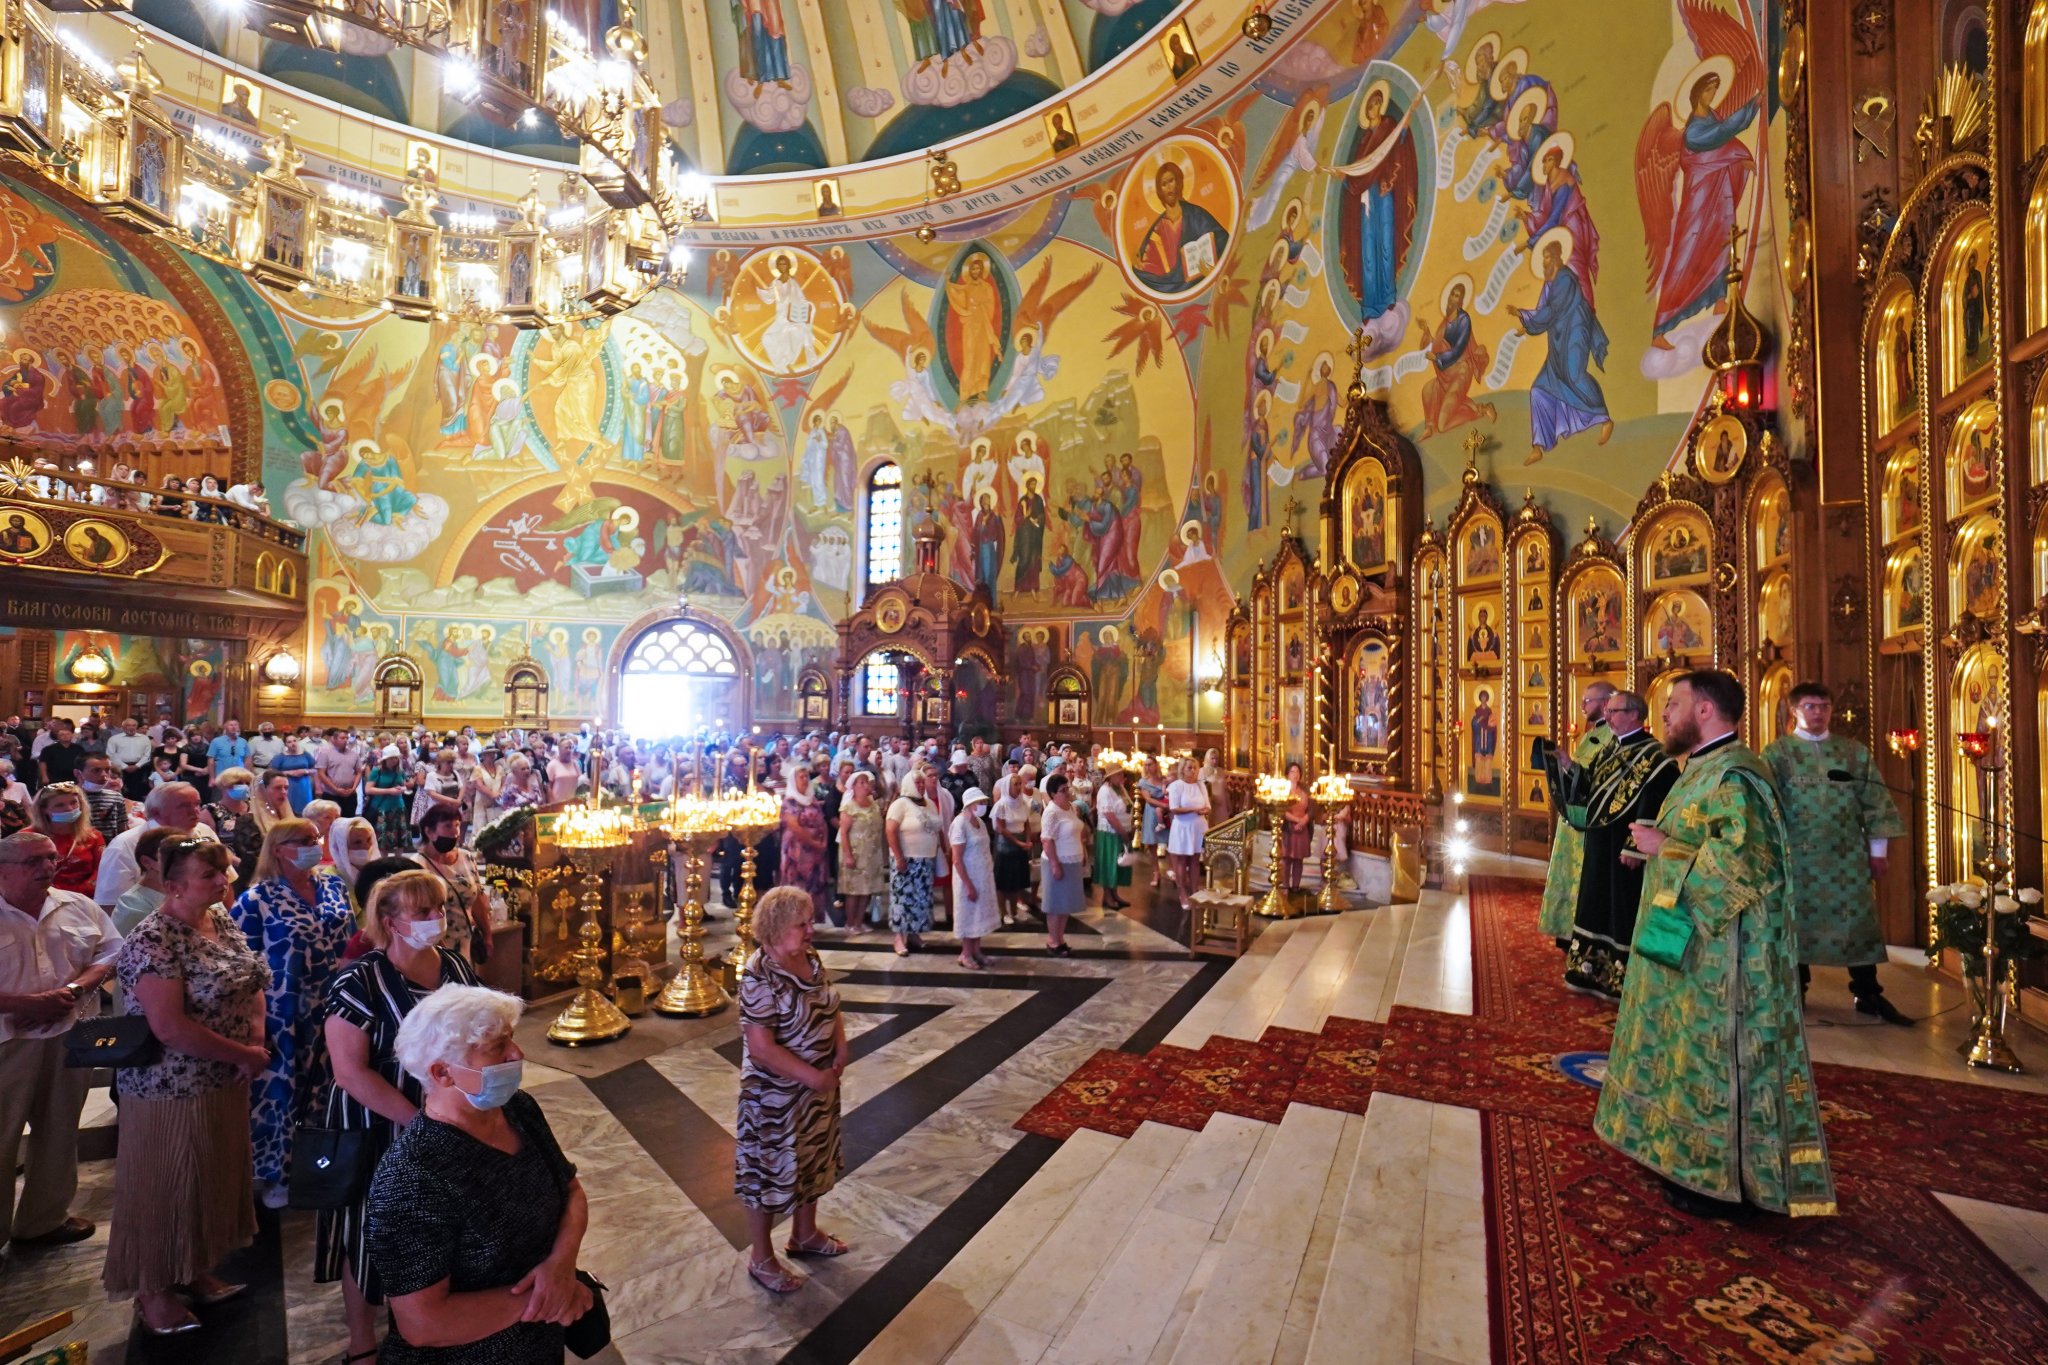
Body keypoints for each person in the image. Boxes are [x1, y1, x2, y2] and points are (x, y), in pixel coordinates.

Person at [1593, 669, 1835, 1220]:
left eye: (1674, 704)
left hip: (1728, 962)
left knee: (1715, 1065)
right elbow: (1700, 837)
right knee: (1680, 1052)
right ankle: (1681, 1156)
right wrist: (1657, 844)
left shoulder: (1737, 776)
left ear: (1704, 710)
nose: (1665, 715)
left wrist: (1666, 849)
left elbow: (1745, 866)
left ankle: (1722, 1180)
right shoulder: (1701, 768)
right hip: (1692, 945)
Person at [366, 985, 592, 1363]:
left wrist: (561, 1267)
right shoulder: (412, 1176)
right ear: (442, 1073)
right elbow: (424, 1324)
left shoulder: (518, 1109)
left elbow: (571, 1191)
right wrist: (548, 1298)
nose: (516, 1054)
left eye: (512, 1040)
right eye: (496, 1047)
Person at [105, 838, 271, 1335]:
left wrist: (254, 1040)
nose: (222, 882)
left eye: (222, 872)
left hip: (225, 1074)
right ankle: (153, 1290)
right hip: (169, 1085)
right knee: (165, 1184)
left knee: (207, 1177)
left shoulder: (218, 919)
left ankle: (193, 1267)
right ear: (173, 886)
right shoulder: (154, 939)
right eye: (208, 876)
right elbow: (170, 1027)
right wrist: (243, 1053)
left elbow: (250, 979)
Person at [316, 870, 481, 1364]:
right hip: (378, 1117)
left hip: (445, 1113)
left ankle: (427, 1323)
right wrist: (417, 1122)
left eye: (439, 909)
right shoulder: (360, 979)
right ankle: (362, 1339)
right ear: (390, 922)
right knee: (369, 1228)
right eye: (423, 912)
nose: (437, 919)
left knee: (435, 1222)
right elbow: (349, 1071)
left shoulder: (453, 966)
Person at [0, 832, 121, 1251]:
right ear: (3, 870)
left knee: (59, 1129)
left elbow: (109, 953)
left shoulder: (76, 905)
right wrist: (22, 1003)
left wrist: (72, 990)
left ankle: (43, 1220)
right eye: (34, 861)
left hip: (67, 1034)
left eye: (51, 858)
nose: (47, 867)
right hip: (6, 1042)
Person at [1763, 682, 1911, 1024]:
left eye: (1824, 706)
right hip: (1797, 858)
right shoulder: (1777, 754)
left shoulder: (1853, 753)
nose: (1818, 713)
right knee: (1795, 920)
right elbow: (1767, 805)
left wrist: (1878, 851)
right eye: (1811, 706)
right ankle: (1795, 991)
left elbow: (1875, 802)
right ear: (1794, 710)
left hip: (1846, 857)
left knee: (1856, 922)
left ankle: (1868, 993)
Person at [231, 818, 354, 1208]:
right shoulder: (255, 900)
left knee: (334, 1087)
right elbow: (242, 964)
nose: (313, 845)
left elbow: (351, 940)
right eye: (303, 841)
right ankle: (277, 1175)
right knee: (284, 1093)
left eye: (315, 839)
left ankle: (329, 1166)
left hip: (337, 1004)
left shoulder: (333, 885)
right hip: (284, 1013)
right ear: (279, 849)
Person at [734, 886, 847, 1294]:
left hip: (816, 1088)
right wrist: (812, 1076)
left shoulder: (809, 958)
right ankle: (760, 1257)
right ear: (778, 927)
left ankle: (805, 1234)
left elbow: (829, 1003)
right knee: (765, 1173)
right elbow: (762, 1049)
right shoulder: (757, 974)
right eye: (802, 924)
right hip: (775, 1096)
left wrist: (840, 1046)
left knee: (813, 1157)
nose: (811, 930)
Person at [1552, 691, 1677, 999]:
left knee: (1619, 907)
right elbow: (1591, 787)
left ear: (1635, 715)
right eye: (1607, 711)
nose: (1607, 717)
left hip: (1624, 848)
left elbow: (1655, 800)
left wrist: (1634, 846)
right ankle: (1588, 971)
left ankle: (1619, 976)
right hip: (1599, 840)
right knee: (1594, 901)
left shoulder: (1656, 757)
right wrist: (1569, 766)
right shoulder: (1610, 749)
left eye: (1614, 711)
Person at [1537, 682, 1615, 944]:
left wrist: (1568, 764)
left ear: (1605, 703)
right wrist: (1560, 763)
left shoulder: (1611, 738)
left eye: (1587, 701)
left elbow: (1598, 782)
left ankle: (1579, 933)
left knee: (1583, 880)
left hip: (1588, 824)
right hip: (1573, 820)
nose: (1583, 707)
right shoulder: (1591, 735)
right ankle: (1566, 931)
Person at [95, 781, 214, 911]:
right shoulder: (124, 846)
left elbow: (226, 881)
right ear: (156, 813)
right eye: (183, 806)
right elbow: (110, 906)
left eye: (197, 803)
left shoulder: (204, 831)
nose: (195, 811)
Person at [407, 804, 489, 965]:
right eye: (447, 826)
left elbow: (477, 899)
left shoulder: (467, 858)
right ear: (429, 832)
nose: (455, 831)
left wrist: (487, 935)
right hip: (435, 946)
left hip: (466, 941)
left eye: (457, 825)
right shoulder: (416, 866)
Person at [885, 770, 943, 956]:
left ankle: (915, 934)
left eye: (921, 782)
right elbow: (890, 831)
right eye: (916, 782)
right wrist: (899, 856)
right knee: (903, 899)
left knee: (921, 899)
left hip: (925, 860)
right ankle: (899, 939)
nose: (920, 785)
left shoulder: (930, 804)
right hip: (906, 859)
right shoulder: (900, 804)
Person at [949, 788, 999, 969]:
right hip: (967, 878)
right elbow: (956, 858)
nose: (983, 806)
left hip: (982, 876)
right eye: (980, 803)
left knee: (978, 916)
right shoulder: (960, 824)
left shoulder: (980, 822)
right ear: (970, 804)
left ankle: (977, 950)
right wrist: (968, 884)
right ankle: (965, 953)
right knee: (968, 915)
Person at [1039, 775, 1087, 956]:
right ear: (1052, 794)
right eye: (1062, 790)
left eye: (1067, 789)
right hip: (1057, 861)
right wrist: (1054, 864)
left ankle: (1061, 939)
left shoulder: (1071, 808)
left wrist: (1083, 853)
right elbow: (1047, 840)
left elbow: (1077, 833)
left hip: (1072, 860)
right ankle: (1053, 940)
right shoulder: (1051, 812)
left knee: (1065, 904)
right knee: (1055, 904)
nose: (1067, 793)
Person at [29, 782, 104, 896]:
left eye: (74, 802)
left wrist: (78, 895)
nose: (69, 808)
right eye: (60, 805)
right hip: (44, 897)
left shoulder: (94, 836)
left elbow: (102, 871)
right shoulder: (28, 837)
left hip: (86, 898)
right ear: (44, 809)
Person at [834, 770, 887, 930]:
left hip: (871, 853)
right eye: (861, 783)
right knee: (853, 891)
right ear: (854, 787)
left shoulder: (873, 803)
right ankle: (850, 923)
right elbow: (843, 832)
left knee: (866, 889)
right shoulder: (849, 806)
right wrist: (848, 855)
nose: (865, 786)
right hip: (855, 853)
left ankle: (859, 921)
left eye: (867, 782)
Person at [779, 765, 833, 921]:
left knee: (814, 885)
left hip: (816, 852)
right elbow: (794, 826)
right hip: (797, 850)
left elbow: (822, 821)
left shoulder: (812, 799)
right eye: (800, 777)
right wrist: (813, 842)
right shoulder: (790, 802)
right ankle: (795, 920)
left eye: (806, 777)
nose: (804, 780)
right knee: (797, 885)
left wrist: (823, 842)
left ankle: (810, 919)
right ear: (793, 781)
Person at [201, 766, 266, 893]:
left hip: (260, 867)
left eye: (247, 783)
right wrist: (238, 862)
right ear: (224, 786)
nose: (245, 787)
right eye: (238, 783)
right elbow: (209, 843)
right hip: (229, 869)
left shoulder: (255, 808)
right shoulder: (210, 811)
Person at [990, 770, 1037, 924]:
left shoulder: (1023, 802)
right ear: (1007, 787)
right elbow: (1001, 828)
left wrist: (1028, 840)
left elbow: (1027, 823)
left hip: (1021, 842)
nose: (1019, 787)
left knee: (1017, 879)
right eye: (1015, 784)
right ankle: (1004, 912)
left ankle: (1014, 910)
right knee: (1004, 881)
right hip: (1006, 845)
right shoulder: (1002, 805)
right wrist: (1018, 842)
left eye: (1019, 784)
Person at [1165, 757, 1211, 899]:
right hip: (1183, 827)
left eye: (1195, 767)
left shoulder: (1201, 785)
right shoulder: (1176, 786)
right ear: (1182, 770)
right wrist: (1194, 809)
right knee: (1182, 861)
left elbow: (1208, 806)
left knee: (1195, 861)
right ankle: (1182, 893)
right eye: (1189, 768)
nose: (1193, 770)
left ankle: (1194, 891)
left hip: (1199, 826)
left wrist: (1205, 810)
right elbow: (1174, 808)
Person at [1092, 766, 1132, 910]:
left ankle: (1115, 893)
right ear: (1111, 776)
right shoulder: (1105, 791)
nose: (1122, 776)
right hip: (1110, 833)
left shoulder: (1120, 788)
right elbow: (1109, 815)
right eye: (1119, 774)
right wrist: (1122, 833)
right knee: (1109, 864)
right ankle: (1107, 896)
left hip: (1122, 830)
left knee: (1118, 864)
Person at [365, 747, 416, 854]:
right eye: (391, 758)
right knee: (383, 840)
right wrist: (389, 791)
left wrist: (403, 789)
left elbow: (403, 785)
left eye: (396, 758)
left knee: (401, 838)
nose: (394, 760)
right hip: (382, 808)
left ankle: (399, 862)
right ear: (385, 759)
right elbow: (368, 789)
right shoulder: (377, 771)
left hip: (399, 807)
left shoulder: (400, 771)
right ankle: (384, 864)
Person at [78, 753, 132, 843]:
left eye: (107, 770)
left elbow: (122, 830)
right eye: (96, 770)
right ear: (78, 773)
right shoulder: (69, 797)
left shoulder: (115, 797)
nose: (104, 775)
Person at [315, 730, 366, 818]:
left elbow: (359, 772)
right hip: (331, 794)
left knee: (348, 821)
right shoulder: (325, 753)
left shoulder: (354, 754)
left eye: (347, 738)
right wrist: (336, 789)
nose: (345, 740)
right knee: (331, 821)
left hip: (350, 795)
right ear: (334, 739)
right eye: (342, 738)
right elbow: (321, 773)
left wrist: (353, 788)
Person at [1279, 761, 1313, 894]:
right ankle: (1286, 886)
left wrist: (1304, 820)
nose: (1295, 775)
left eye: (1297, 772)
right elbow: (1281, 810)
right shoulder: (1282, 790)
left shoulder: (1304, 790)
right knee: (1287, 858)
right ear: (1287, 774)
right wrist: (1296, 820)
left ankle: (1296, 886)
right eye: (1292, 772)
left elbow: (1311, 809)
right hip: (1289, 828)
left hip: (1302, 829)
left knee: (1299, 859)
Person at [1135, 757, 1168, 889]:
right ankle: (1156, 872)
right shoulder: (1143, 782)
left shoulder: (1164, 779)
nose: (1148, 767)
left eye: (1150, 764)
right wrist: (1164, 805)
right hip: (1152, 813)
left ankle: (1173, 872)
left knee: (1170, 842)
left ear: (1156, 765)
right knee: (1152, 845)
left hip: (1165, 813)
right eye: (1146, 765)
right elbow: (1148, 799)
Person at [269, 732, 317, 814]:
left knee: (304, 808)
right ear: (285, 744)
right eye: (289, 742)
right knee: (288, 808)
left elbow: (315, 769)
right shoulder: (280, 757)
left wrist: (305, 771)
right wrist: (287, 772)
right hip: (287, 784)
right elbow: (271, 772)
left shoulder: (305, 754)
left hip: (303, 785)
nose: (293, 744)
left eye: (294, 741)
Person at [108, 718, 155, 801]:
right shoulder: (114, 739)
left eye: (134, 725)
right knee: (121, 792)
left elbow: (147, 755)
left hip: (140, 768)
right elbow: (111, 754)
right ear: (122, 727)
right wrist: (125, 766)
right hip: (120, 768)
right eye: (128, 725)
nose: (131, 727)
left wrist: (137, 766)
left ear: (136, 727)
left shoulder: (144, 739)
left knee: (138, 794)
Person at [1199, 748, 1232, 823]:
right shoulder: (1202, 771)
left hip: (1222, 804)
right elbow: (1201, 789)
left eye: (1216, 758)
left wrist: (1228, 805)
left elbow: (1225, 790)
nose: (1215, 761)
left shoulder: (1221, 771)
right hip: (1210, 803)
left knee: (1222, 827)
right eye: (1212, 758)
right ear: (1207, 758)